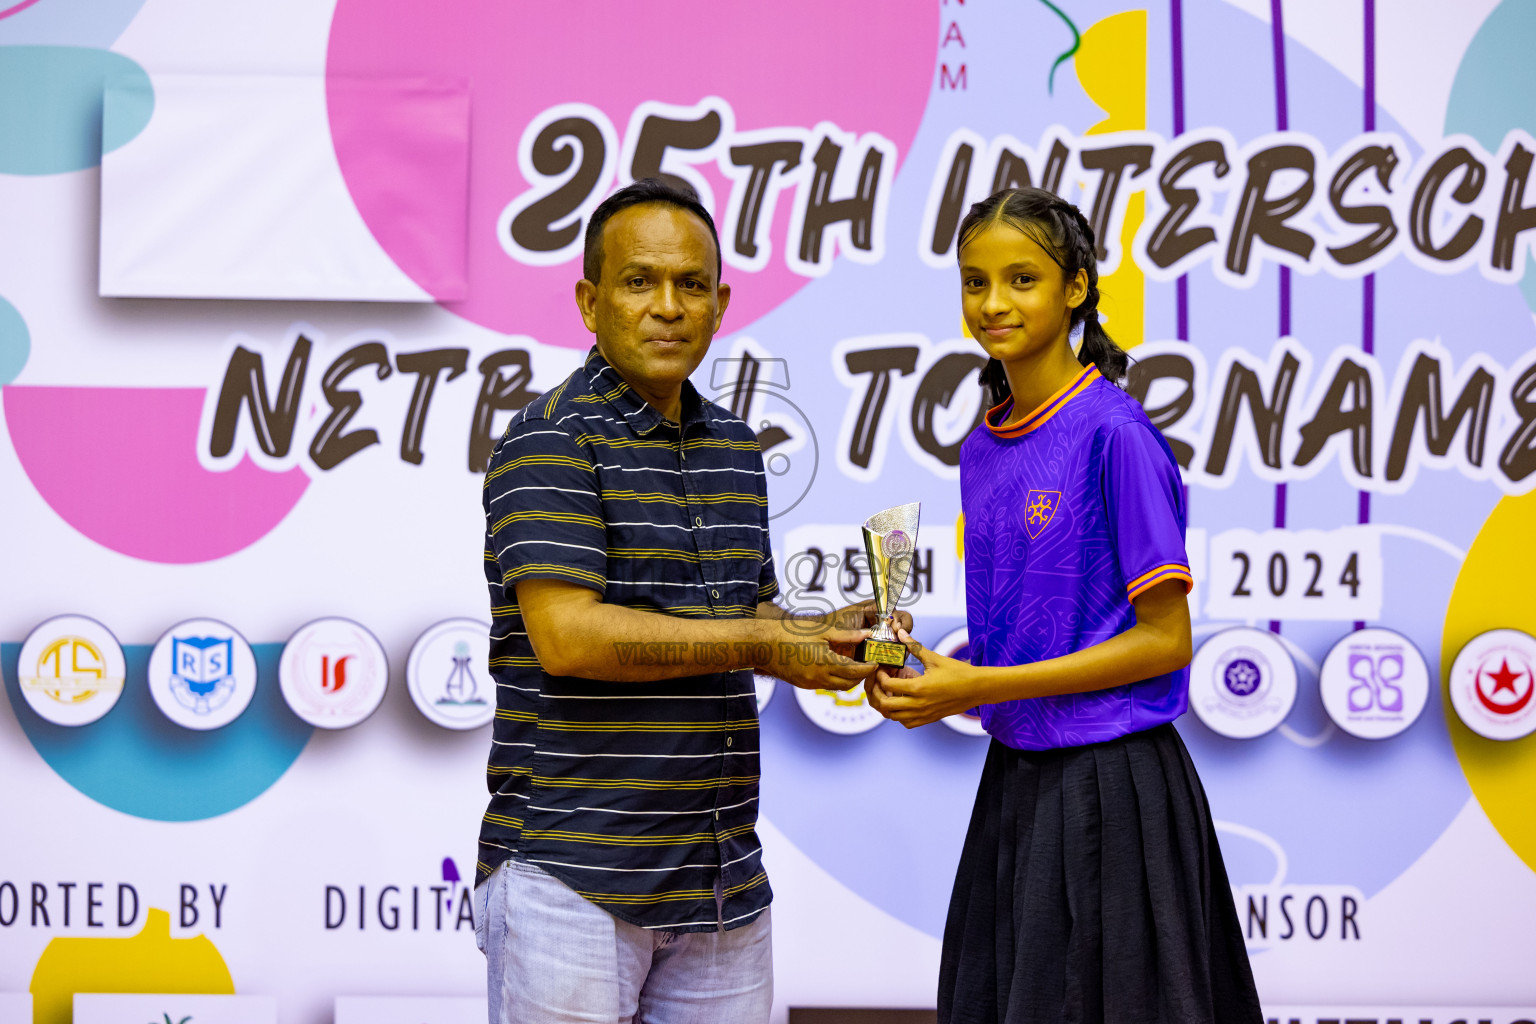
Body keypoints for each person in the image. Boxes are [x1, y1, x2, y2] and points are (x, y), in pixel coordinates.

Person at [473, 177, 892, 1024]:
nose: (668, 306)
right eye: (640, 282)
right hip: (572, 876)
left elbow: (751, 612)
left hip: (720, 881)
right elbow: (570, 639)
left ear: (720, 303)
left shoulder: (736, 445)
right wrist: (762, 644)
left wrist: (829, 638)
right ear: (590, 302)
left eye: (690, 285)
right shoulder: (549, 437)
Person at [866, 187, 1264, 1024]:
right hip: (1015, 786)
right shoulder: (983, 444)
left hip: (1116, 790)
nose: (993, 303)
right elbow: (1030, 638)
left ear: (1076, 287)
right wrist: (929, 674)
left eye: (1021, 278)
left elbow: (1165, 641)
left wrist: (973, 689)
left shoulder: (1115, 434)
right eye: (975, 282)